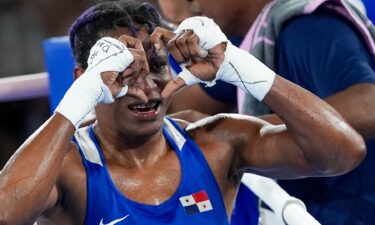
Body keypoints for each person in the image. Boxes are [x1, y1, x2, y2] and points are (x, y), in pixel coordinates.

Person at [0, 1, 366, 224]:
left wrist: (243, 67)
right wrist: (77, 99)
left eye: (156, 68)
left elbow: (343, 152)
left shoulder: (215, 142)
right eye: (127, 73)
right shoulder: (69, 166)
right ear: (85, 79)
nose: (147, 87)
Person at [156, 0, 375, 224]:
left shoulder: (308, 27)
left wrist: (240, 131)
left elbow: (368, 107)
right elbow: (180, 106)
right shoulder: (246, 43)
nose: (193, 5)